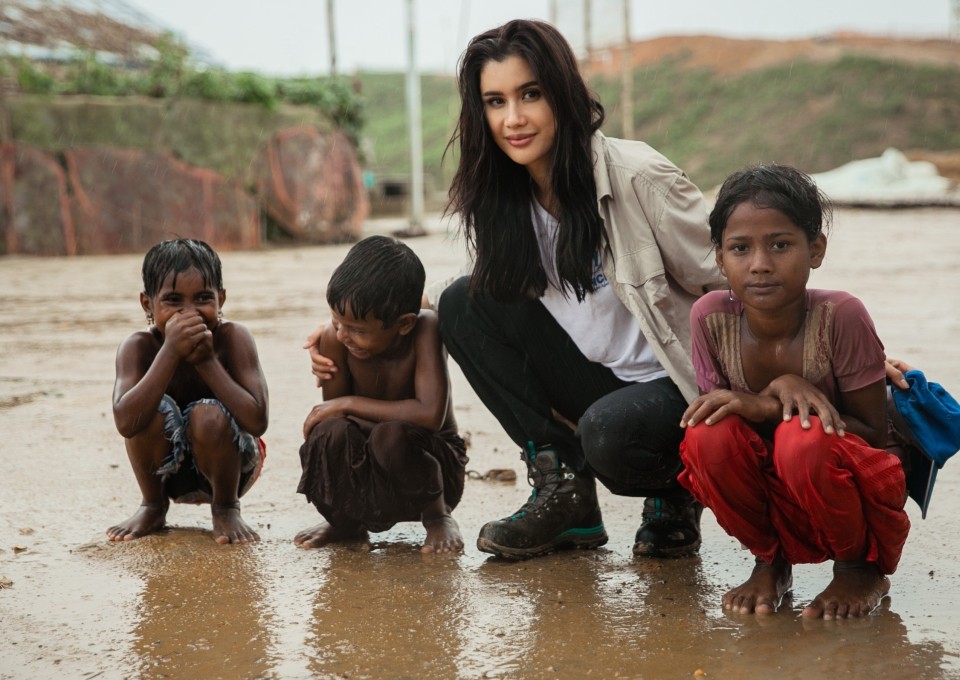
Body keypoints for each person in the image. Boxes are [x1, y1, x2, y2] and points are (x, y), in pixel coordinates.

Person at [430, 18, 727, 560]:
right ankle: (565, 492)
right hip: (601, 381)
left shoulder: (637, 176)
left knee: (608, 433)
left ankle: (676, 494)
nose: (513, 119)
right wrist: (358, 328)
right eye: (495, 102)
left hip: (678, 390)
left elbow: (734, 282)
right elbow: (499, 308)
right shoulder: (504, 200)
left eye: (530, 95)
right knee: (460, 303)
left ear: (562, 95)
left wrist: (818, 348)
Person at [676, 163, 911, 619]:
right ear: (720, 259)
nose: (760, 264)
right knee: (706, 434)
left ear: (815, 249)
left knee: (800, 439)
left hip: (845, 480)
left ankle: (857, 570)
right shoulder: (710, 318)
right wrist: (771, 399)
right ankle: (769, 562)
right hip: (772, 483)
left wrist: (780, 401)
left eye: (780, 245)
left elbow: (873, 437)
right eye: (740, 248)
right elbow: (723, 421)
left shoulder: (841, 315)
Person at [294, 235, 468, 554]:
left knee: (389, 437)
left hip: (434, 470)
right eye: (336, 320)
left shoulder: (424, 330)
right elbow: (338, 422)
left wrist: (347, 402)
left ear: (403, 324)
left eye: (358, 330)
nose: (344, 335)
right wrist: (340, 409)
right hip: (373, 465)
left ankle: (438, 518)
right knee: (327, 434)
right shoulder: (335, 340)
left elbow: (429, 415)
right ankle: (345, 523)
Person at [108, 239, 268, 544]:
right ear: (148, 305)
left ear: (221, 300)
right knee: (145, 408)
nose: (189, 312)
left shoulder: (234, 338)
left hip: (231, 466)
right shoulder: (138, 347)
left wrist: (207, 361)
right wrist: (169, 352)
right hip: (166, 472)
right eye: (173, 300)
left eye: (203, 298)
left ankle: (226, 508)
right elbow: (125, 422)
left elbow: (258, 421)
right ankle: (152, 505)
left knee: (207, 413)